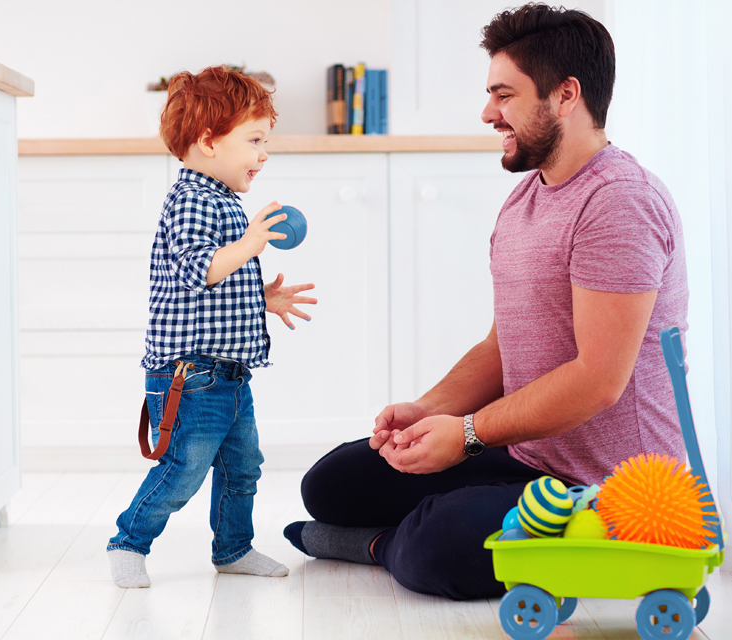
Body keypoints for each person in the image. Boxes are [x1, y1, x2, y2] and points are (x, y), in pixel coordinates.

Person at [282, 3, 689, 600]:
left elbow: (599, 380)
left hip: (605, 486)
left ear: (565, 95)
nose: (487, 113)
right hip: (527, 457)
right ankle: (426, 523)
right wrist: (430, 411)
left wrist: (467, 434)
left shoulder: (618, 205)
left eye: (504, 94)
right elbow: (506, 346)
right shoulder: (527, 197)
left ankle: (383, 545)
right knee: (334, 485)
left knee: (436, 548)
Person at [106, 65, 318, 589]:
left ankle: (233, 548)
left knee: (243, 467)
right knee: (182, 470)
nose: (264, 153)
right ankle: (128, 541)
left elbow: (217, 284)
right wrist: (250, 245)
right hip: (190, 374)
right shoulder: (190, 201)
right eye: (254, 140)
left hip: (228, 374)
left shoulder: (224, 200)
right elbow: (196, 270)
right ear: (207, 142)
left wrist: (261, 297)